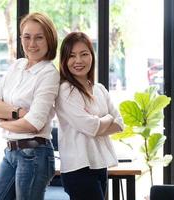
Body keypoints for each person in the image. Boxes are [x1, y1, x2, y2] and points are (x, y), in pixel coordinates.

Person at [0, 12, 59, 200]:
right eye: (27, 37)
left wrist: (3, 122)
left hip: (34, 154)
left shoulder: (49, 73)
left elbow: (34, 124)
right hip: (10, 152)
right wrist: (18, 112)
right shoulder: (17, 66)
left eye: (39, 37)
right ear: (21, 39)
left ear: (49, 39)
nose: (32, 43)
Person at [55, 32, 124, 200]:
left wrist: (98, 123)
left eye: (84, 54)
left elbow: (120, 124)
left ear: (91, 57)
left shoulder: (99, 89)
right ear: (64, 60)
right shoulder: (65, 90)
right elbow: (91, 127)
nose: (78, 61)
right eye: (72, 56)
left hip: (99, 164)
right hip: (77, 168)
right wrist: (107, 118)